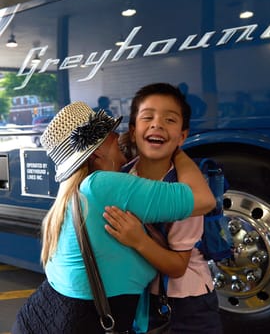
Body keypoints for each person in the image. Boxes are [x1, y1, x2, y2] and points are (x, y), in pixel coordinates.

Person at [11, 101, 216, 334]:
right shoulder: (101, 185)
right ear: (98, 151)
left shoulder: (75, 191)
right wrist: (176, 151)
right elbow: (204, 200)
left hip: (40, 318)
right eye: (112, 137)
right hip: (77, 325)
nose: (119, 140)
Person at [104, 83, 223, 333]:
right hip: (141, 297)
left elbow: (178, 267)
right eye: (148, 117)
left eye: (170, 120)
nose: (157, 124)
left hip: (185, 305)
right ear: (134, 130)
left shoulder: (184, 188)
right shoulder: (124, 175)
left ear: (182, 136)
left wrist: (138, 240)